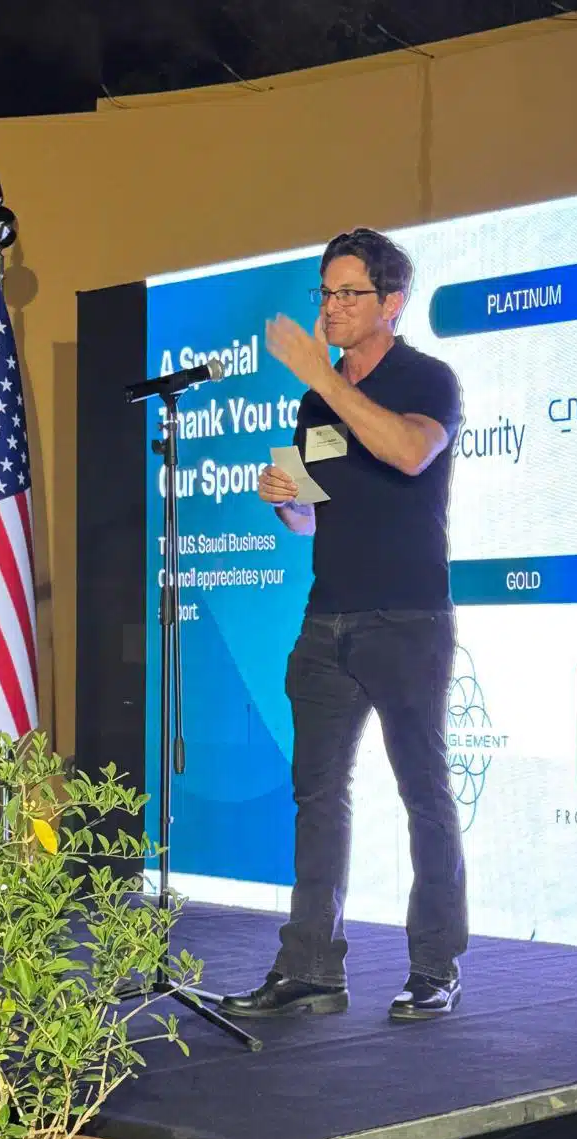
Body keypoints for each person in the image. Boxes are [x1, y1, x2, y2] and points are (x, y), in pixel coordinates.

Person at [221, 227, 468, 1022]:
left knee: (423, 791)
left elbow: (407, 452)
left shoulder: (427, 378)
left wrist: (322, 380)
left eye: (348, 293)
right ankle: (311, 969)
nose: (331, 308)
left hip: (407, 618)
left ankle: (434, 967)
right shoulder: (312, 400)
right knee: (317, 796)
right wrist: (286, 498)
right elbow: (310, 517)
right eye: (325, 293)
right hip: (327, 618)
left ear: (392, 302)